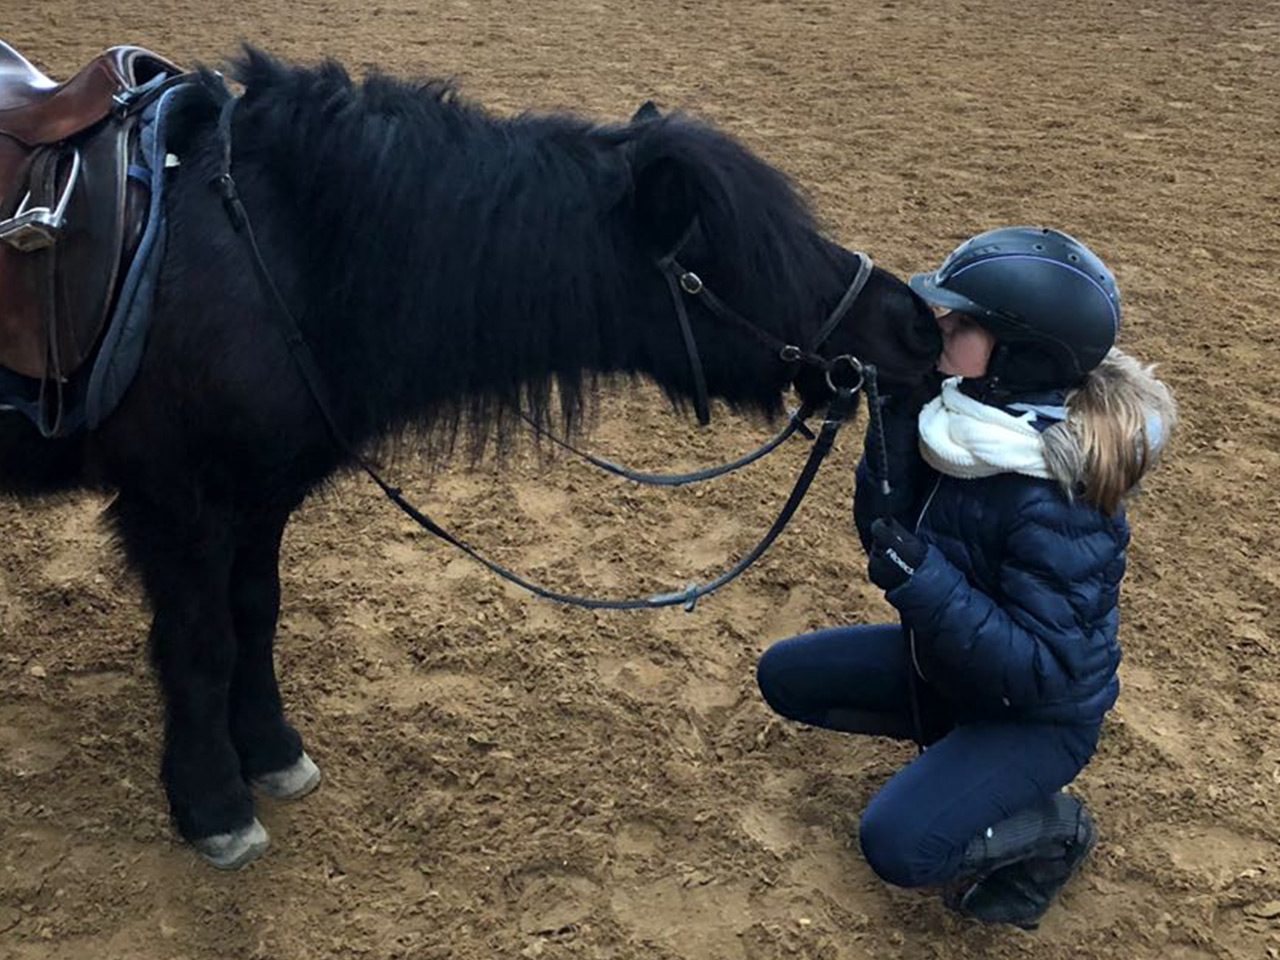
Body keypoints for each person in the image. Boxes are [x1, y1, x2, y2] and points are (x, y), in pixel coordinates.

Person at [756, 226, 1177, 928]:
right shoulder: (963, 420)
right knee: (785, 677)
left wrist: (925, 583)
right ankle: (960, 752)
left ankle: (1055, 829)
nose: (938, 326)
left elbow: (1045, 668)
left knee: (899, 845)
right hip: (950, 663)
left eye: (962, 322)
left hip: (1037, 716)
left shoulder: (1059, 499)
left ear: (1019, 355)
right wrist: (891, 415)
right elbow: (882, 532)